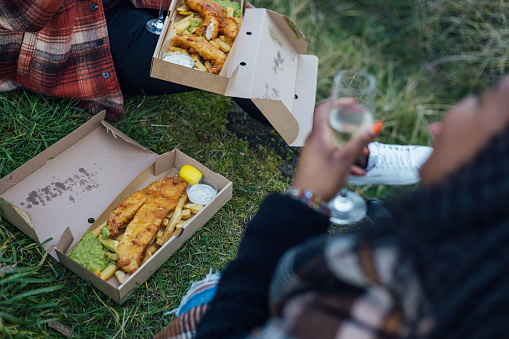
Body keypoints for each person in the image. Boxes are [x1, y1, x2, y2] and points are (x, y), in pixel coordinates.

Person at [154, 75, 509, 339]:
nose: (436, 126)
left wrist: (304, 199)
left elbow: (232, 322)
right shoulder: (479, 282)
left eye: (479, 101)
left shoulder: (366, 309)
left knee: (210, 294)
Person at [0, 0, 268, 124]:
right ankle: (308, 142)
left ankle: (301, 118)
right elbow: (21, 16)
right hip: (72, 35)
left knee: (245, 31)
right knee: (243, 62)